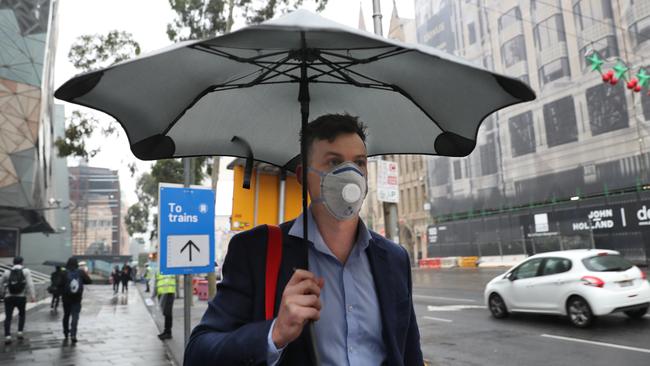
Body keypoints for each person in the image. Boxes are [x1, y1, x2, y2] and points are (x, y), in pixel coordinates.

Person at [184, 114, 423, 365]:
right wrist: (274, 334)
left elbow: (409, 353)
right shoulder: (255, 251)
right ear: (303, 175)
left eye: (359, 163)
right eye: (334, 162)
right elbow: (198, 353)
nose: (351, 174)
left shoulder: (395, 258)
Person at [0, 256, 35, 344]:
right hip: (21, 297)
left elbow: (0, 282)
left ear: (13, 262)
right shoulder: (26, 271)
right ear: (22, 262)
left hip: (9, 297)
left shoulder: (7, 272)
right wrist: (32, 296)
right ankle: (19, 332)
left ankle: (7, 336)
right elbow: (30, 284)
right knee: (22, 315)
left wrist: (2, 292)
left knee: (8, 317)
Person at [61, 257, 92, 343]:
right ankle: (73, 334)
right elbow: (89, 281)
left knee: (66, 315)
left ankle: (66, 332)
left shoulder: (64, 272)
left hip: (66, 298)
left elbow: (60, 284)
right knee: (75, 316)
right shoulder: (80, 272)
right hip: (77, 298)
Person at [153, 270, 176, 340]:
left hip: (169, 292)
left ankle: (168, 332)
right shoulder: (158, 270)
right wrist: (154, 294)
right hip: (161, 294)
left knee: (168, 312)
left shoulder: (169, 267)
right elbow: (156, 282)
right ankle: (166, 331)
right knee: (165, 313)